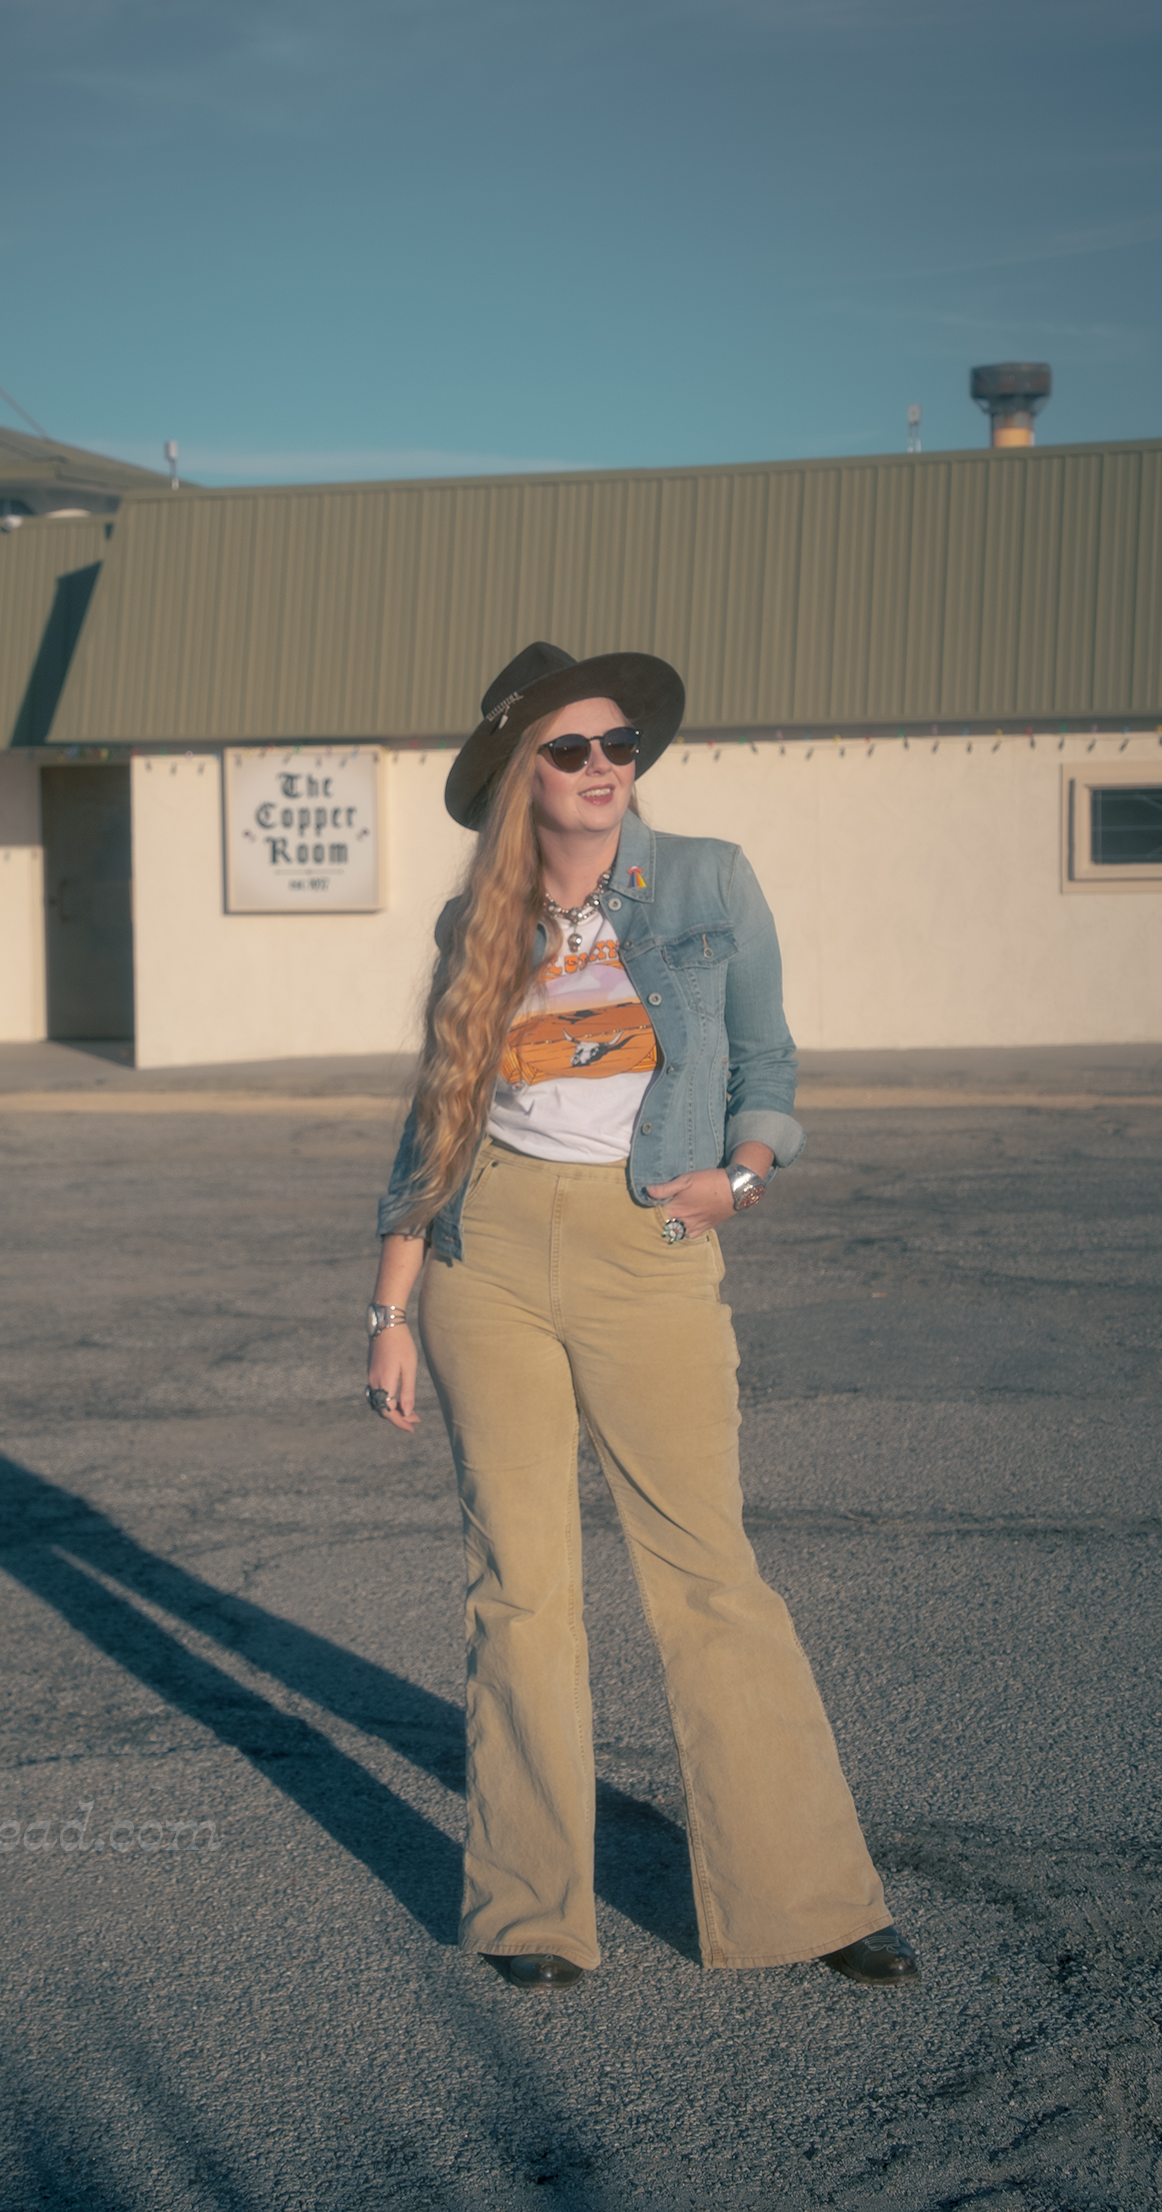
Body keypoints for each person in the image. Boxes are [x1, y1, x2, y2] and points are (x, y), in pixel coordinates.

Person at [365, 641, 919, 1994]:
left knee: (709, 1576)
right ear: (518, 773)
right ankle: (532, 1913)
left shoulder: (709, 881)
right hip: (483, 1254)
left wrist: (742, 1177)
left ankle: (806, 1896)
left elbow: (772, 1059)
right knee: (523, 1593)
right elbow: (436, 1118)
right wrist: (389, 1303)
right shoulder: (472, 927)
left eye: (620, 747)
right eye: (572, 749)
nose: (605, 768)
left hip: (646, 1245)